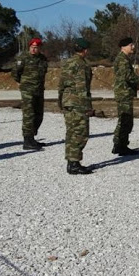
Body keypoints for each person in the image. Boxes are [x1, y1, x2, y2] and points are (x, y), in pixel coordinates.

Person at [58, 38, 94, 175]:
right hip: (78, 102)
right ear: (85, 50)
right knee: (80, 132)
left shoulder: (67, 62)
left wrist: (60, 101)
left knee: (71, 132)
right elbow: (82, 86)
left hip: (68, 101)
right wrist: (88, 106)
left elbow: (61, 84)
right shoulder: (81, 64)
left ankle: (71, 162)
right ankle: (74, 163)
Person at [111, 37, 139, 156]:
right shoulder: (122, 60)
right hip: (124, 94)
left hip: (124, 92)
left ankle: (119, 145)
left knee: (124, 120)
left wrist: (137, 86)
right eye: (130, 45)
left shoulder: (123, 59)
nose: (133, 47)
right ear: (123, 47)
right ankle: (121, 146)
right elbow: (127, 77)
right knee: (126, 120)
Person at [12, 37, 48, 150]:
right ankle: (27, 140)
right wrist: (21, 83)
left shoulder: (43, 59)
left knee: (39, 114)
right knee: (29, 114)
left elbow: (43, 73)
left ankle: (32, 137)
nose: (33, 50)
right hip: (27, 90)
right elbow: (15, 73)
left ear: (40, 48)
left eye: (36, 48)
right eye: (32, 47)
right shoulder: (23, 58)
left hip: (39, 90)